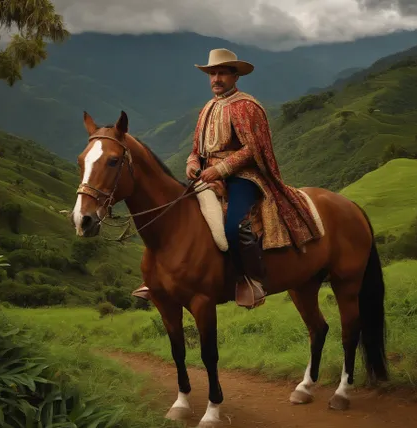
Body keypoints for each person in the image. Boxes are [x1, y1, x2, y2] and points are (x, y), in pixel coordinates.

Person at [133, 48, 321, 308]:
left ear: (235, 76)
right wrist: (192, 162)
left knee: (234, 225)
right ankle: (159, 276)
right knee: (174, 217)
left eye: (222, 73)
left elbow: (253, 149)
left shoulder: (248, 107)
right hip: (207, 176)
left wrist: (220, 170)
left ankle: (250, 279)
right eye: (212, 73)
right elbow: (198, 148)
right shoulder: (208, 107)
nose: (216, 79)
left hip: (244, 177)